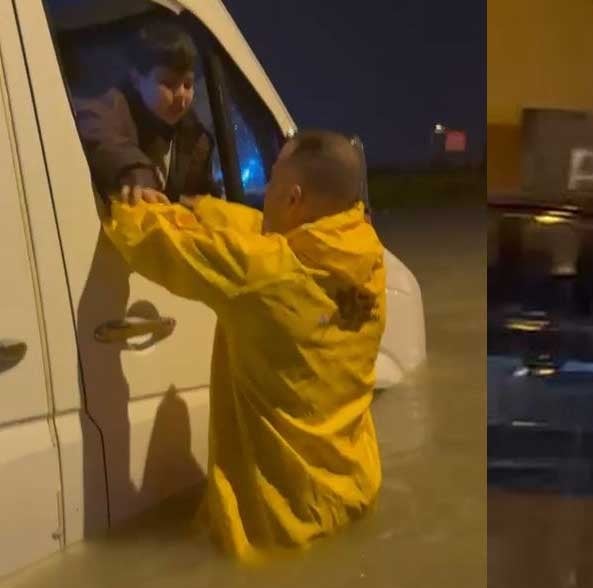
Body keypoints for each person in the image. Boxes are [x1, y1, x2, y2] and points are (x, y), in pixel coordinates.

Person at [103, 130, 386, 560]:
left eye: (270, 183)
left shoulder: (262, 274)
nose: (264, 192)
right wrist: (203, 208)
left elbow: (153, 244)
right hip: (353, 491)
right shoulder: (367, 256)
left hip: (281, 524)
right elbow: (266, 230)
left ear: (293, 198)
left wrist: (129, 203)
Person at [74, 22, 216, 201]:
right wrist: (137, 172)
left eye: (188, 84)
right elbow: (100, 132)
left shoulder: (196, 138)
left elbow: (203, 194)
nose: (182, 96)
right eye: (168, 83)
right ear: (136, 79)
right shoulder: (112, 107)